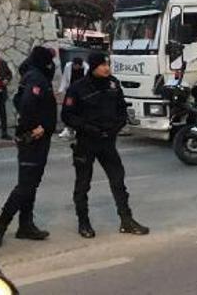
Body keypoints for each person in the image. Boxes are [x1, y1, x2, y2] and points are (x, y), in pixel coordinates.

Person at [61, 52, 149, 239]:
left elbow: (121, 110)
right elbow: (67, 115)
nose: (106, 68)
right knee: (83, 184)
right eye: (102, 65)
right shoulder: (78, 88)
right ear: (93, 67)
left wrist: (115, 127)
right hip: (86, 142)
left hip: (108, 141)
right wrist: (87, 127)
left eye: (107, 64)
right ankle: (83, 223)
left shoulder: (113, 84)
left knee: (118, 180)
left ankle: (127, 220)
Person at [0, 47, 58, 249]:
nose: (53, 64)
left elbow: (21, 100)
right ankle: (0, 227)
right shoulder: (36, 78)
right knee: (25, 186)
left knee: (31, 185)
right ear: (45, 61)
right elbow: (25, 104)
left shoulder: (35, 76)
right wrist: (34, 126)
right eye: (51, 60)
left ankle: (25, 225)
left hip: (39, 140)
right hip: (32, 140)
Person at [57, 57, 89, 139]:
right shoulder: (68, 66)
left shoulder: (86, 68)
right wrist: (61, 90)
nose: (75, 68)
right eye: (74, 66)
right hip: (71, 92)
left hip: (81, 93)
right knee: (68, 108)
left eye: (77, 66)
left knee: (79, 110)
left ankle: (76, 129)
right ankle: (67, 129)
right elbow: (64, 78)